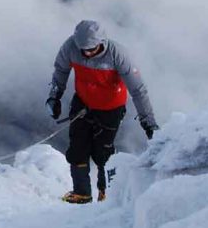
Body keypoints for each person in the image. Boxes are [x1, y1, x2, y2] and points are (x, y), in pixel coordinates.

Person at [46, 19, 158, 204]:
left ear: (102, 42)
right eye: (84, 49)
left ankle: (106, 193)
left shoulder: (117, 54)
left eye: (91, 49)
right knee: (77, 148)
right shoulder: (71, 47)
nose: (87, 53)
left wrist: (148, 122)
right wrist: (54, 96)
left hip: (111, 108)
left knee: (103, 152)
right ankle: (82, 192)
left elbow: (138, 90)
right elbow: (61, 70)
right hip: (83, 102)